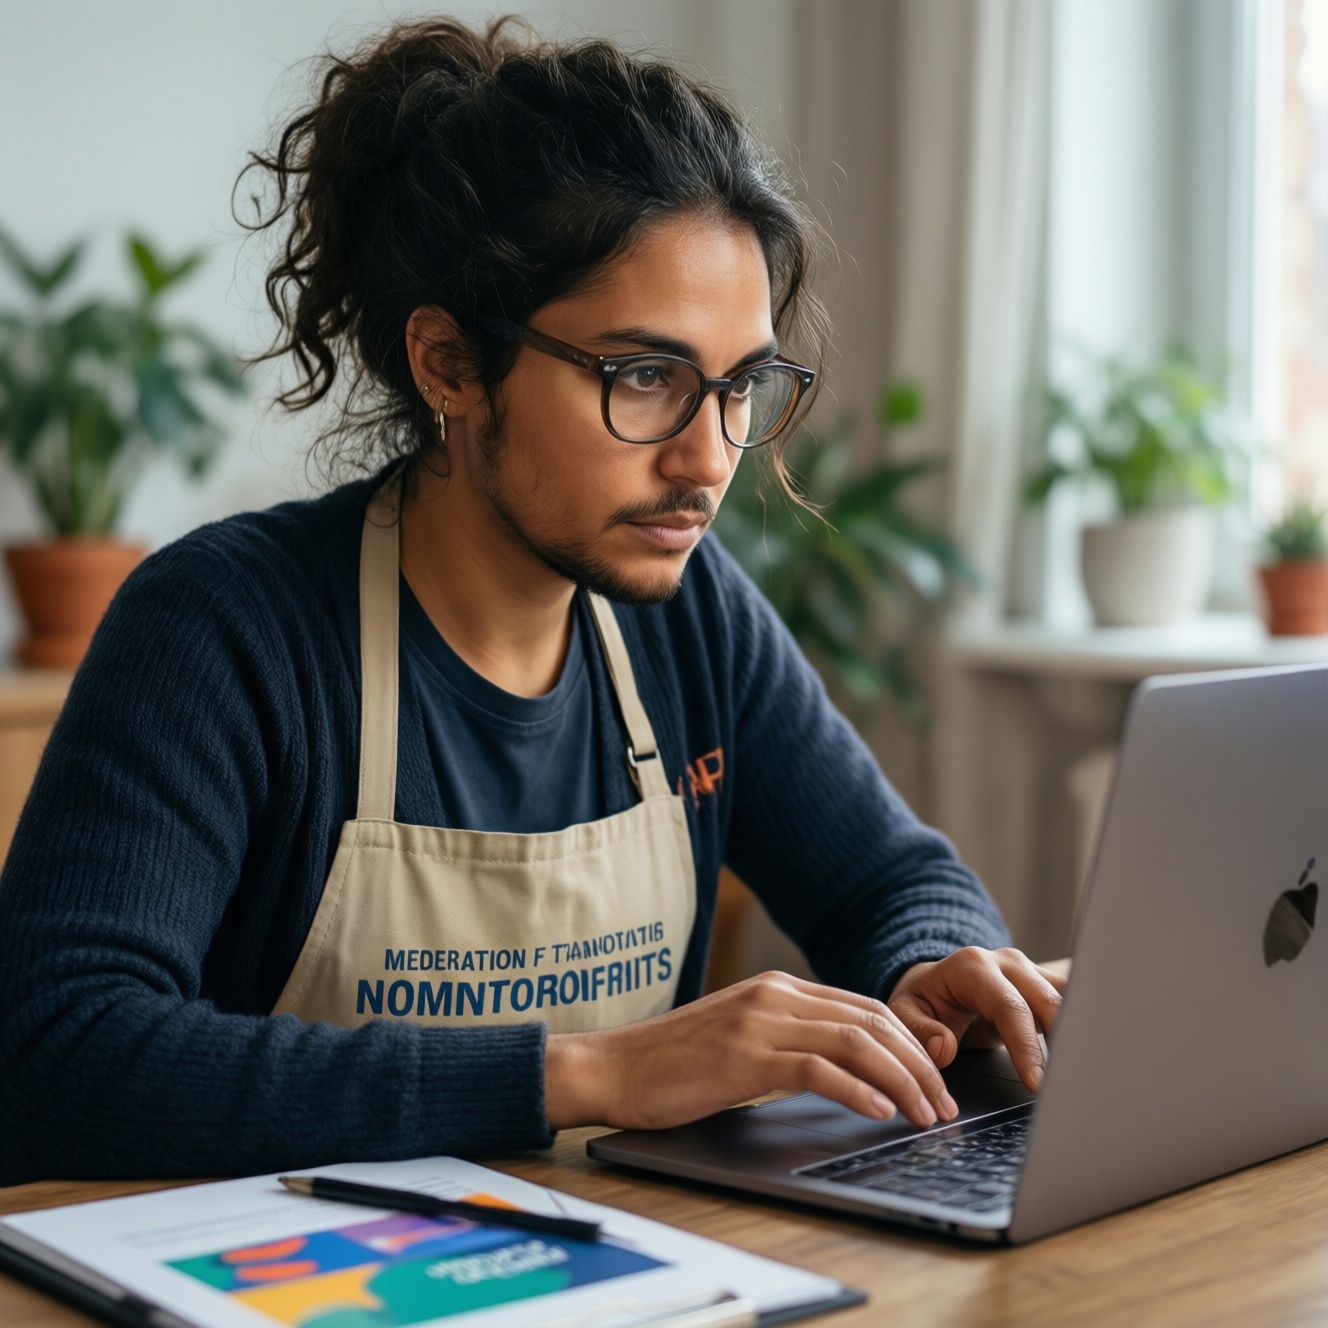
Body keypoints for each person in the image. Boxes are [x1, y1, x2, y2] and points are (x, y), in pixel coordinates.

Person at [0, 17, 1064, 1185]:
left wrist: (933, 962)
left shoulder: (691, 616)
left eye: (740, 385)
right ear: (449, 364)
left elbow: (888, 879)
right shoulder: (225, 629)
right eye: (644, 376)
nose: (708, 457)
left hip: (632, 1257)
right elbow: (54, 1051)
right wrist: (591, 1072)